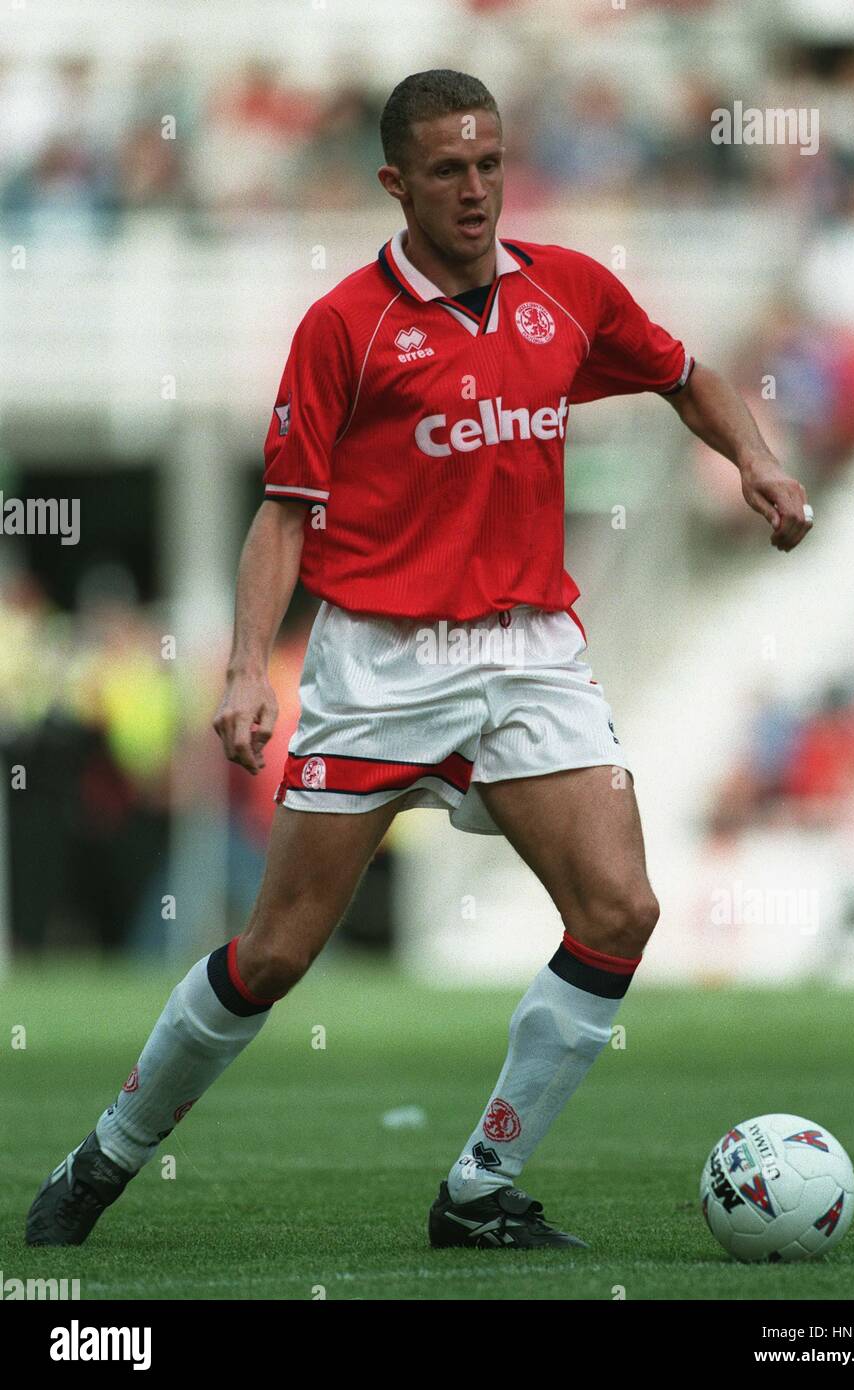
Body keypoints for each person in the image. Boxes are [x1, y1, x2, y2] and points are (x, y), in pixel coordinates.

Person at [27, 70, 812, 1251]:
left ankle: (481, 1185)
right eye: (448, 169)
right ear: (395, 182)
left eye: (490, 162)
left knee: (620, 906)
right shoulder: (346, 326)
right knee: (279, 950)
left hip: (531, 653)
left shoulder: (568, 290)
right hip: (381, 669)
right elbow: (283, 511)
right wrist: (247, 667)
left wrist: (754, 457)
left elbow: (683, 373)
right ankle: (108, 1154)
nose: (476, 188)